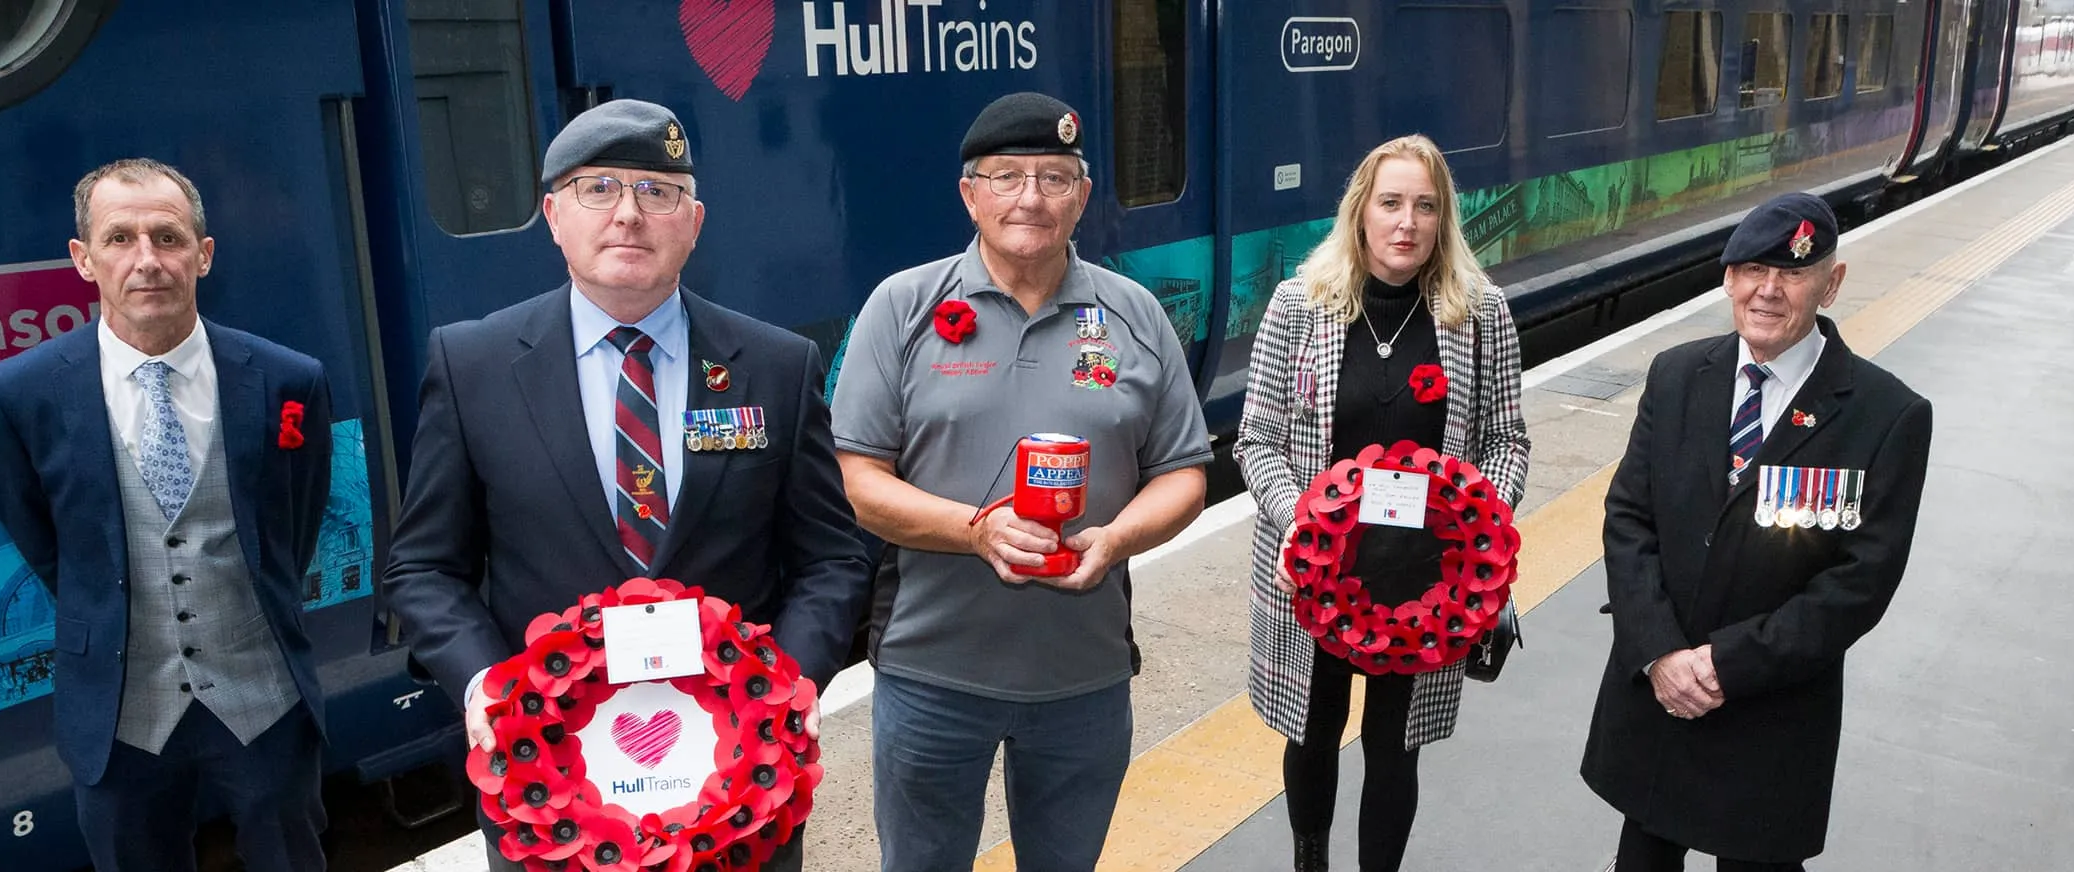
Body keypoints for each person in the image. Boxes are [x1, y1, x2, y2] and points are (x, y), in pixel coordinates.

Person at [380, 99, 870, 872]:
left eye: (657, 191)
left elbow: (833, 559)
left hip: (737, 793)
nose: (629, 215)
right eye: (598, 189)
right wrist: (488, 688)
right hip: (549, 792)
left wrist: (787, 689)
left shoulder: (776, 366)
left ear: (695, 219)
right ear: (552, 215)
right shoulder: (472, 366)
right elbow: (424, 567)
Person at [830, 91, 1212, 872]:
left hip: (1085, 676)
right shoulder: (902, 308)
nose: (1030, 197)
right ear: (970, 194)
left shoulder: (1135, 314)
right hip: (931, 674)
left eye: (1054, 177)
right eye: (1006, 176)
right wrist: (978, 529)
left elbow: (1183, 474)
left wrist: (1118, 537)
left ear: (1083, 194)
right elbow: (861, 483)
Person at [0, 158, 334, 872]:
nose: (147, 261)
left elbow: (294, 524)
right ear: (83, 260)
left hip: (262, 697)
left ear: (203, 254)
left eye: (168, 238)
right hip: (118, 711)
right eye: (119, 239)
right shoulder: (21, 392)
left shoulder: (287, 379)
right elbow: (42, 540)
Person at [1581, 192, 1934, 871]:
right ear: (1728, 278)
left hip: (1769, 718)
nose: (1768, 290)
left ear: (1831, 283)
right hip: (1661, 700)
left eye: (1793, 273)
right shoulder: (1679, 375)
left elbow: (1859, 584)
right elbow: (1628, 518)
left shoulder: (1886, 416)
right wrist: (1658, 652)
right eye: (1751, 269)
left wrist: (1723, 665)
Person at [1234, 134, 1532, 872]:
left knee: (1396, 748)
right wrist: (1300, 523)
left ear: (1444, 219)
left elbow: (1507, 441)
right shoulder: (1298, 305)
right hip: (1316, 573)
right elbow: (1256, 440)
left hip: (1426, 582)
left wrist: (1476, 530)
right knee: (1311, 727)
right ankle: (1310, 861)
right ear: (1360, 212)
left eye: (1425, 207)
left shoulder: (1481, 312)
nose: (1407, 222)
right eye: (1391, 203)